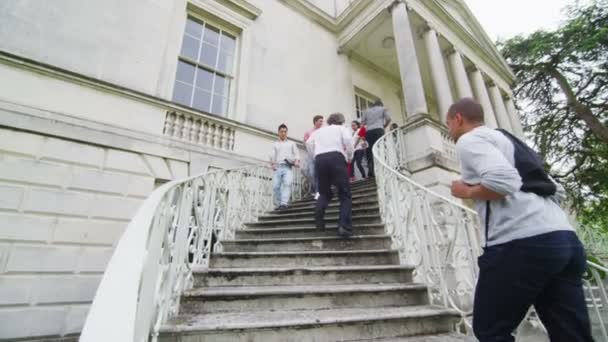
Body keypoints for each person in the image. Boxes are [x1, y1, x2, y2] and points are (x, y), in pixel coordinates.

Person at [446, 97, 593, 342]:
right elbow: (557, 190)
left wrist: (467, 191)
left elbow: (504, 181)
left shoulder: (470, 140)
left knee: (491, 331)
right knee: (572, 334)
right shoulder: (510, 141)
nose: (449, 130)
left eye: (448, 123)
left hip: (520, 243)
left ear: (458, 119)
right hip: (564, 240)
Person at [306, 113, 354, 237]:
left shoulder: (319, 131)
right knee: (344, 194)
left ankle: (319, 220)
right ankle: (343, 226)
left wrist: (315, 156)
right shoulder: (342, 129)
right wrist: (349, 156)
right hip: (336, 158)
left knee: (324, 192)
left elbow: (308, 143)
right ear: (341, 122)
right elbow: (348, 141)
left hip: (320, 160)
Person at [270, 124, 300, 211]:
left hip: (287, 167)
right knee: (276, 186)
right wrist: (272, 165)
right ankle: (278, 204)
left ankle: (284, 203)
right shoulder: (275, 144)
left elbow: (297, 154)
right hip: (278, 167)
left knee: (287, 184)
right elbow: (272, 156)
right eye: (282, 132)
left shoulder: (291, 143)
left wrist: (297, 161)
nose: (283, 133)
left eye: (285, 132)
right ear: (278, 132)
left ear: (287, 132)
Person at [361, 99, 391, 178]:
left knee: (369, 152)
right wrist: (384, 126)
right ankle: (383, 170)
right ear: (381, 105)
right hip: (379, 130)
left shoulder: (366, 111)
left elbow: (362, 123)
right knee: (381, 150)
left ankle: (371, 172)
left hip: (368, 132)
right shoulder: (383, 109)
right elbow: (388, 119)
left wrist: (363, 134)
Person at [304, 115, 323, 199]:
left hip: (320, 155)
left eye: (322, 121)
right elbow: (305, 143)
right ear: (315, 122)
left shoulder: (323, 132)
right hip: (311, 155)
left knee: (320, 173)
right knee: (312, 173)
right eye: (320, 121)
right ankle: (314, 189)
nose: (322, 123)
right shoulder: (308, 132)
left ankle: (317, 191)